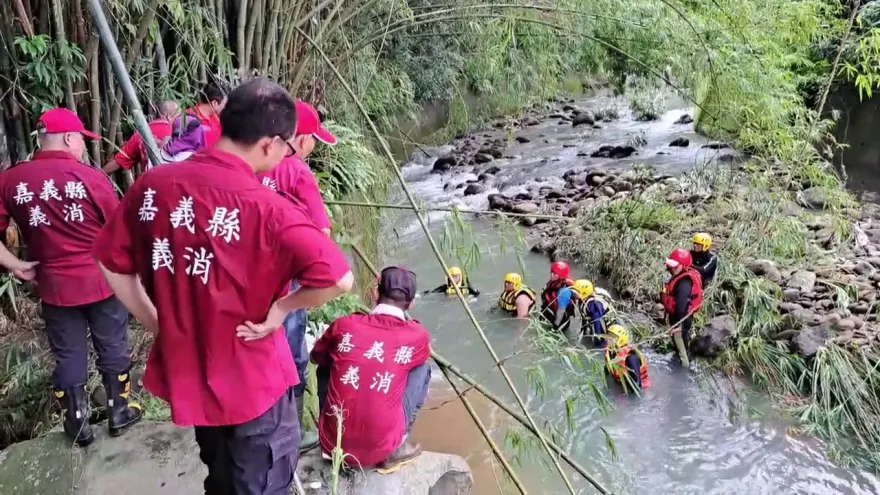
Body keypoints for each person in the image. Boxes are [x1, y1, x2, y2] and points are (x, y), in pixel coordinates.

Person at [93, 78, 354, 494]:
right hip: (255, 382)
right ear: (270, 144)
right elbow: (340, 279)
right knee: (262, 482)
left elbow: (109, 261)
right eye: (287, 147)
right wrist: (282, 309)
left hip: (195, 378)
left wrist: (157, 322)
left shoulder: (154, 186)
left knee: (220, 478)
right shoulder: (270, 209)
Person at [0, 108, 142, 446]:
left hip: (53, 286)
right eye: (81, 139)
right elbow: (120, 233)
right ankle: (119, 411)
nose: (82, 146)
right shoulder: (89, 178)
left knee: (68, 353)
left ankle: (76, 423)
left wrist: (14, 264)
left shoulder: (10, 180)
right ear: (67, 138)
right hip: (102, 281)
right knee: (112, 344)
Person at [256, 99, 336, 451]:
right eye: (315, 140)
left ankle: (264, 425)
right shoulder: (297, 172)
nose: (314, 146)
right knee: (292, 354)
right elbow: (321, 235)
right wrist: (316, 284)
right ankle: (291, 434)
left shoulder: (250, 162)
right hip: (287, 281)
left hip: (249, 276)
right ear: (302, 140)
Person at [311, 266, 431, 470]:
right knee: (422, 369)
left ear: (375, 293)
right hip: (381, 448)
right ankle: (397, 446)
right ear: (411, 304)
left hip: (333, 444)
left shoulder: (345, 325)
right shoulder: (417, 335)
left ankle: (331, 432)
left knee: (326, 364)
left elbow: (315, 357)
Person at [102, 100, 180, 175]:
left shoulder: (143, 132)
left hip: (149, 179)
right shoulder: (175, 131)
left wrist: (100, 174)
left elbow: (119, 160)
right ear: (168, 116)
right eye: (178, 115)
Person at [662, 248, 704, 350]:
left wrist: (678, 327)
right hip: (679, 319)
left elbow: (681, 307)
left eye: (675, 266)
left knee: (682, 349)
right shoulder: (679, 275)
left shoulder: (684, 283)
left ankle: (684, 358)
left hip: (682, 321)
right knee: (680, 342)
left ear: (684, 265)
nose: (672, 269)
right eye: (671, 266)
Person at [604, 324, 651, 391]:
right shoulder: (610, 353)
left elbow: (636, 387)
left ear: (621, 340)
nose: (608, 340)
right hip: (621, 386)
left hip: (640, 390)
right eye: (608, 336)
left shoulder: (631, 357)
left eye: (612, 337)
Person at [188, 80, 231, 148]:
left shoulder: (216, 117)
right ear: (215, 103)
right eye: (224, 104)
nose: (226, 107)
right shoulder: (188, 118)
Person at [572, 279, 614, 346]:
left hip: (605, 322)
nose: (573, 293)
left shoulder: (593, 305)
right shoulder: (584, 298)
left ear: (584, 293)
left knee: (602, 342)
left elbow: (598, 324)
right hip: (598, 316)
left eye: (576, 292)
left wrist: (598, 341)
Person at [541, 261, 575, 331]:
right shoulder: (554, 282)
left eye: (555, 274)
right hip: (550, 313)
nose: (551, 275)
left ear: (561, 275)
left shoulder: (564, 291)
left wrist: (555, 327)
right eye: (551, 272)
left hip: (560, 321)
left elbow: (561, 311)